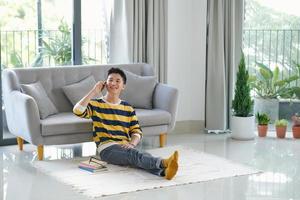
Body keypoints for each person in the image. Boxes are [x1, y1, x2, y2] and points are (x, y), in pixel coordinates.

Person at [73, 67, 179, 180]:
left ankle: (164, 172)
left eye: (117, 81)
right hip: (107, 149)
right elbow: (77, 111)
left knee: (138, 157)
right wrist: (94, 91)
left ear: (123, 86)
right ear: (105, 84)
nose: (113, 83)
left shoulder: (128, 107)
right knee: (134, 156)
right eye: (110, 80)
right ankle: (163, 162)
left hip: (125, 146)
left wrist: (132, 143)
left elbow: (137, 131)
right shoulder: (96, 104)